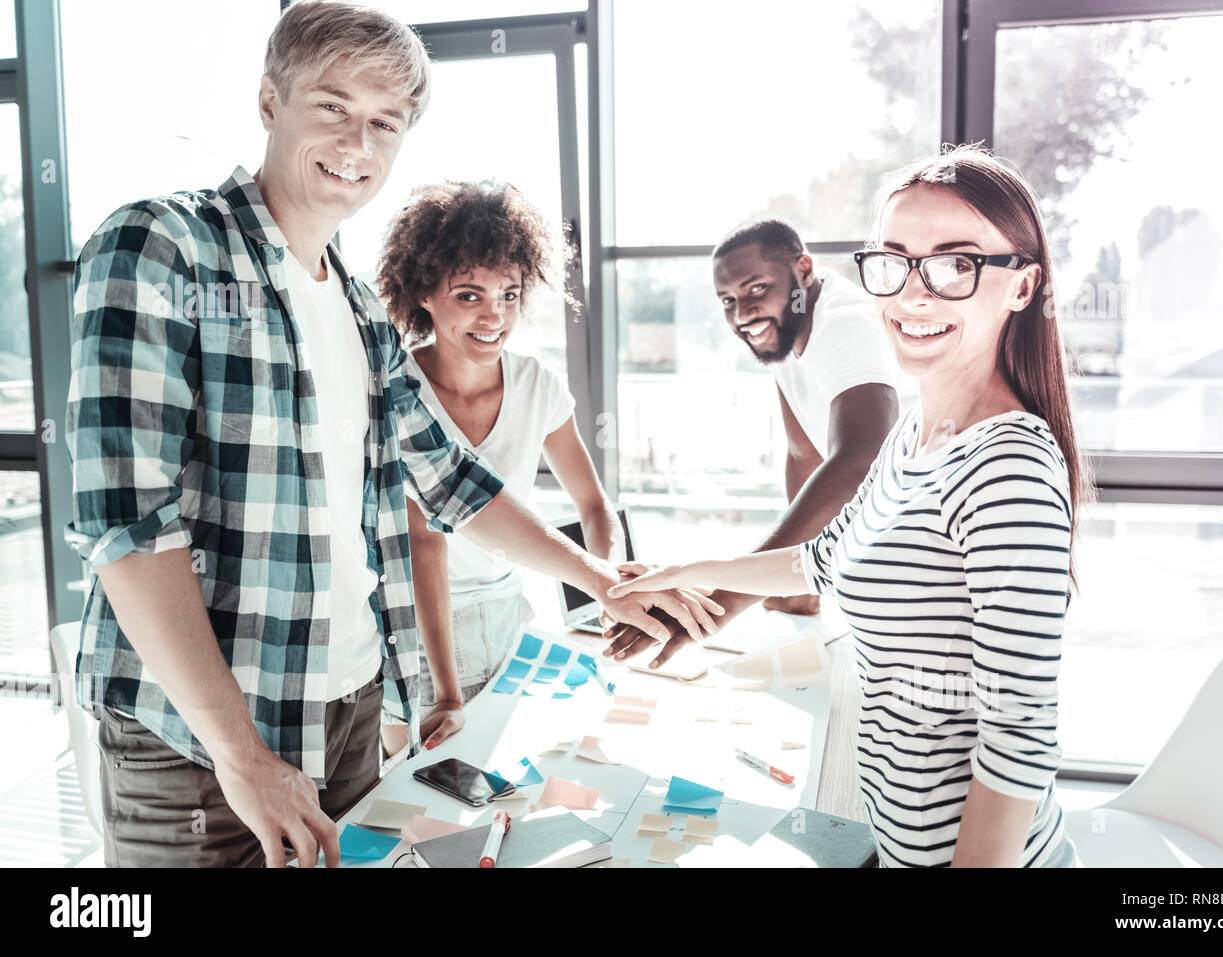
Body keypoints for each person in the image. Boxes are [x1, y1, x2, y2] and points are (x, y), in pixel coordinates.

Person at [62, 0, 717, 869]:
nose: (357, 143)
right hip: (198, 744)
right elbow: (125, 524)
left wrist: (604, 580)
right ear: (269, 101)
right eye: (332, 107)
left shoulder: (361, 308)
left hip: (350, 715)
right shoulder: (162, 246)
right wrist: (241, 753)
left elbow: (450, 482)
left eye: (386, 122)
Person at [608, 143, 1091, 867]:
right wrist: (691, 572)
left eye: (956, 264)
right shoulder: (911, 437)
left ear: (1021, 286)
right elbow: (823, 560)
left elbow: (1020, 738)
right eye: (894, 260)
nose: (913, 294)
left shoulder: (1007, 468)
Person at [373, 180, 625, 757]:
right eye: (469, 296)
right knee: (416, 800)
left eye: (508, 295)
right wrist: (446, 691)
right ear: (424, 295)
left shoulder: (535, 383)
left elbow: (592, 505)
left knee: (508, 787)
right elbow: (425, 545)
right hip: (414, 630)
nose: (495, 316)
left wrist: (605, 589)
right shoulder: (395, 394)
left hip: (510, 618)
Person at [602, 220, 902, 667]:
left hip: (921, 567)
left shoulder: (844, 325)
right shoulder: (786, 331)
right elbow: (805, 456)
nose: (742, 314)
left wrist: (722, 603)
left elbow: (860, 460)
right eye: (728, 300)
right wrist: (793, 587)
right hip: (870, 555)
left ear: (803, 269)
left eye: (756, 289)